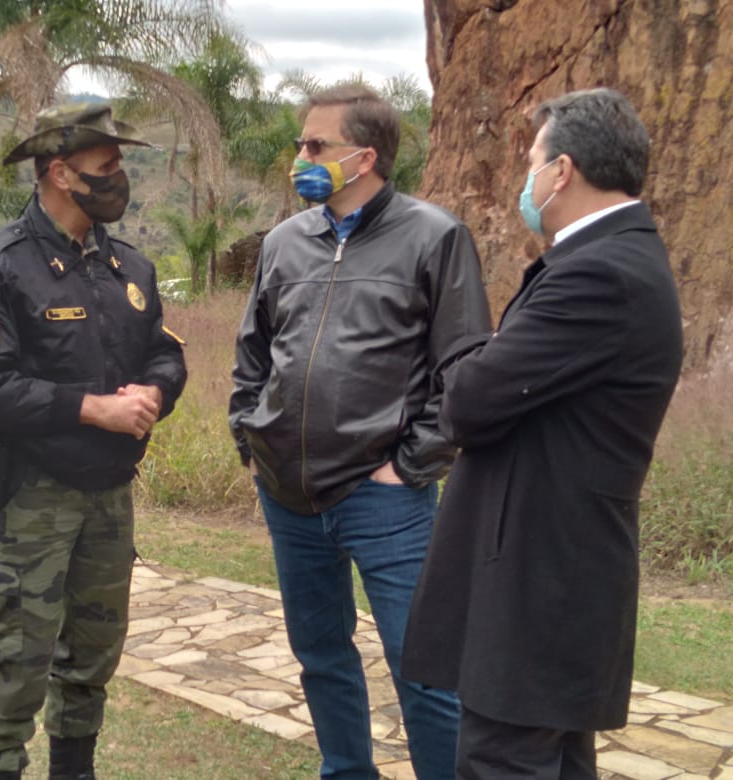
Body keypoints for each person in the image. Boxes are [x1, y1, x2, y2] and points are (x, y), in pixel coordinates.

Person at [401, 88, 684, 777]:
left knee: (506, 761)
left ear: (563, 171)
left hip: (541, 578)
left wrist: (468, 349)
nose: (526, 177)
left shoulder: (599, 273)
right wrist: (492, 354)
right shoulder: (610, 259)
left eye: (532, 160)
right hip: (553, 572)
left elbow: (467, 402)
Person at [228, 84, 492, 779]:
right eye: (299, 146)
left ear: (365, 156)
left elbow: (462, 369)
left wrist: (409, 466)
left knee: (426, 670)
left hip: (385, 499)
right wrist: (248, 438)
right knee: (320, 655)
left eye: (315, 146)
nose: (301, 158)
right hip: (287, 494)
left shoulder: (434, 237)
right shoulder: (286, 241)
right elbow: (253, 351)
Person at [0, 102, 187, 780]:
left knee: (92, 656)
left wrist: (154, 394)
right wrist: (90, 410)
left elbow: (164, 352)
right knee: (17, 662)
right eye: (106, 168)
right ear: (60, 172)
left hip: (109, 499)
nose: (120, 179)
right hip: (34, 498)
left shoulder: (128, 268)